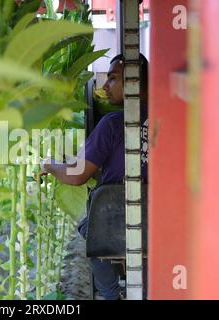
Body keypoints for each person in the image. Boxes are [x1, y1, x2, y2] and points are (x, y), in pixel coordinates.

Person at [41, 54, 149, 300]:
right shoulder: (172, 119)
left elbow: (76, 176)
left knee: (88, 225)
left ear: (133, 81)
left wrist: (48, 164)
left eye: (112, 78)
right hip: (162, 224)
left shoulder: (112, 123)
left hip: (117, 224)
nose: (104, 87)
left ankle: (111, 293)